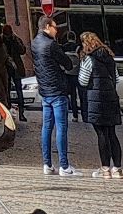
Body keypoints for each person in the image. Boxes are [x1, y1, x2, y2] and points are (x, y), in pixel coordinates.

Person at [30, 15, 78, 176]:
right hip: (57, 90)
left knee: (46, 128)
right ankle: (64, 165)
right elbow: (67, 63)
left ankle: (47, 164)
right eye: (55, 27)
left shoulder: (35, 43)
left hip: (44, 90)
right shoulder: (51, 45)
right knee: (61, 128)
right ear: (47, 26)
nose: (57, 31)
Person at [79, 31, 123, 178]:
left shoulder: (88, 59)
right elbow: (116, 79)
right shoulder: (110, 58)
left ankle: (105, 169)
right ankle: (117, 168)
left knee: (101, 135)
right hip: (111, 97)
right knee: (112, 134)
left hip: (95, 99)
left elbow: (83, 81)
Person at [1, 25, 28, 122]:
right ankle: (8, 112)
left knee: (19, 90)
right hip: (5, 68)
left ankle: (21, 113)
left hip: (16, 68)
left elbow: (23, 51)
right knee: (6, 90)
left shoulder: (15, 39)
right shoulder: (1, 40)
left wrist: (15, 40)